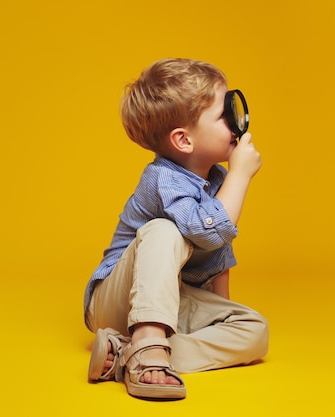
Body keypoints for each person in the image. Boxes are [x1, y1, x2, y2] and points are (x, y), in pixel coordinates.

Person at [82, 58, 269, 400]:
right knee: (165, 231)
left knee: (255, 331)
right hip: (116, 300)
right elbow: (208, 232)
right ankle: (148, 342)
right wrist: (242, 175)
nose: (234, 121)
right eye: (222, 115)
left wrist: (219, 316)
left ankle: (127, 353)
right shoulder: (163, 178)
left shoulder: (217, 181)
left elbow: (220, 255)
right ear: (184, 140)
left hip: (170, 301)